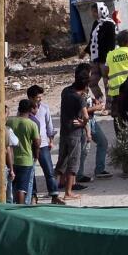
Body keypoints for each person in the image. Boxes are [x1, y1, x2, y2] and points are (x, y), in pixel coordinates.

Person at [55, 64, 91, 203]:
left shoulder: (65, 91)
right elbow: (86, 116)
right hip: (75, 133)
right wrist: (83, 124)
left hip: (64, 131)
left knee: (61, 163)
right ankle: (68, 192)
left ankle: (53, 189)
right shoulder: (80, 98)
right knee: (73, 164)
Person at [25, 86, 59, 201]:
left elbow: (49, 125)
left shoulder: (44, 108)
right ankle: (33, 195)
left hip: (43, 144)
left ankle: (54, 194)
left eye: (40, 97)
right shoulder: (24, 110)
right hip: (29, 145)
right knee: (31, 171)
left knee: (49, 170)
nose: (40, 99)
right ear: (30, 98)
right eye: (37, 97)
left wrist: (51, 140)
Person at [78, 64, 110, 181]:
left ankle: (99, 170)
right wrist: (96, 108)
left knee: (103, 142)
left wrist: (92, 100)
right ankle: (79, 175)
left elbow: (86, 101)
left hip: (92, 120)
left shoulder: (86, 87)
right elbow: (81, 109)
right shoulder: (78, 89)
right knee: (84, 149)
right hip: (85, 121)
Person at [7, 100, 40, 205]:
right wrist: (36, 156)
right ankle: (20, 209)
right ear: (30, 110)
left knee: (12, 186)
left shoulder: (9, 121)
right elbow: (37, 143)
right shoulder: (31, 124)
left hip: (10, 159)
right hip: (25, 160)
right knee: (22, 188)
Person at [104, 30, 128, 110]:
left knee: (119, 113)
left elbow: (106, 72)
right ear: (127, 41)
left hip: (115, 90)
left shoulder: (110, 54)